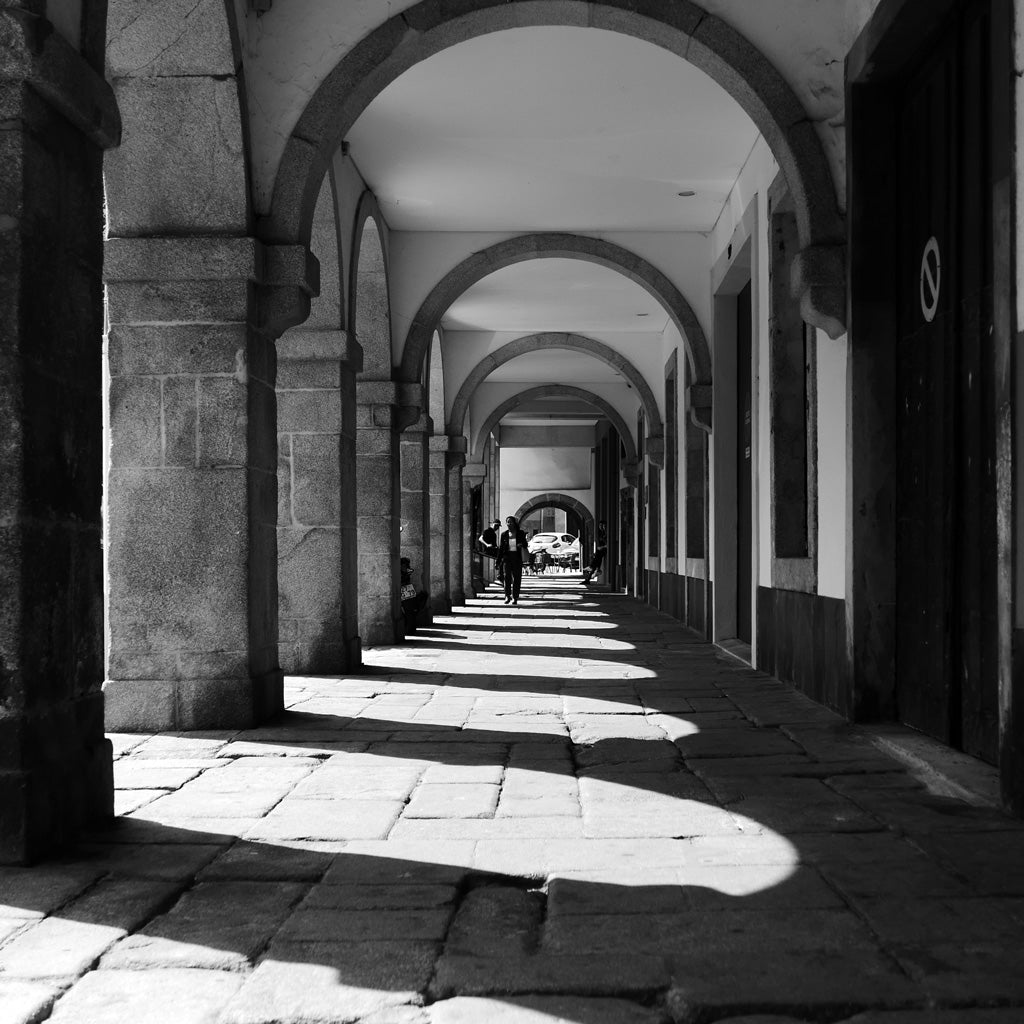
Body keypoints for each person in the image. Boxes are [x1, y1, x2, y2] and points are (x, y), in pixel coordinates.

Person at [498, 515, 529, 605]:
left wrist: (521, 545)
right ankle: (507, 596)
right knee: (507, 577)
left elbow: (525, 544)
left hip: (517, 557)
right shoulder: (504, 534)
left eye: (511, 522)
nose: (509, 524)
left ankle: (515, 597)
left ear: (515, 523)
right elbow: (501, 548)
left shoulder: (520, 533)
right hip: (507, 558)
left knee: (517, 578)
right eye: (507, 522)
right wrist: (498, 561)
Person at [478, 518, 503, 583]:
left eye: (498, 526)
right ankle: (499, 573)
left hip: (493, 550)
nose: (497, 527)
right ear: (492, 524)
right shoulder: (487, 531)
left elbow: (495, 545)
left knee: (503, 556)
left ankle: (500, 573)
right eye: (496, 525)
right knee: (501, 556)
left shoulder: (494, 534)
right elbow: (480, 538)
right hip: (488, 550)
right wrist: (487, 544)